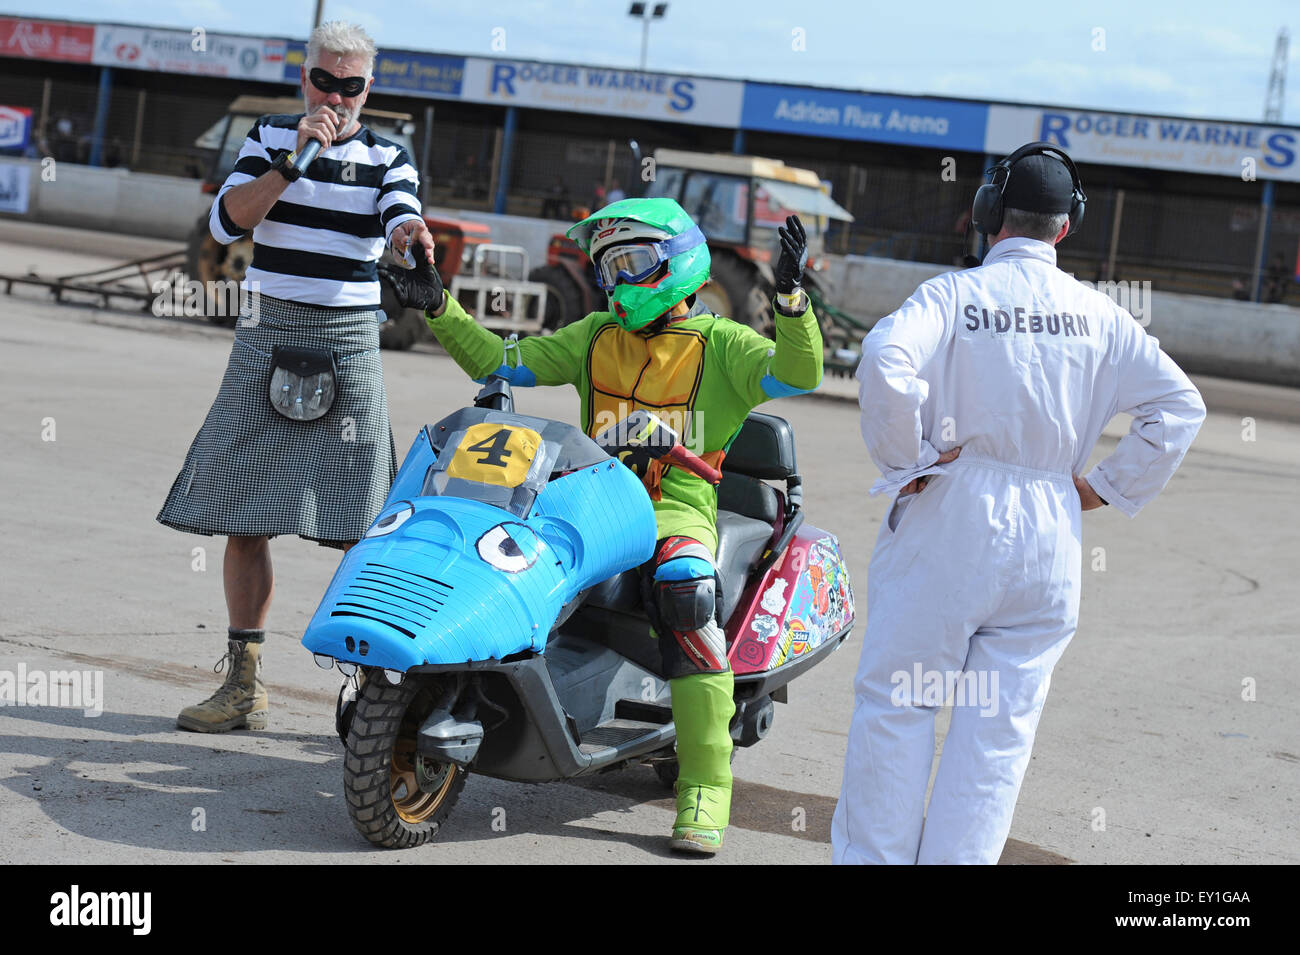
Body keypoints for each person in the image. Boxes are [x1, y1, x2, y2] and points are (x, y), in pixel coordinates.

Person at [380, 197, 823, 853]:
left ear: (680, 265)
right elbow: (500, 360)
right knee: (498, 559)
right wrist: (439, 305)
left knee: (685, 590)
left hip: (677, 508)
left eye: (635, 262)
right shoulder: (593, 336)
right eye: (609, 267)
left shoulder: (723, 344)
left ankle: (705, 783)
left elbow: (799, 371)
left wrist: (790, 299)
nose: (618, 281)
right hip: (590, 501)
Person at [833, 143, 1206, 864]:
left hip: (953, 510)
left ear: (988, 212)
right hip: (1048, 531)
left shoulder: (951, 296)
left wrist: (903, 459)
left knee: (900, 705)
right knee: (997, 732)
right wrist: (1105, 485)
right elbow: (1179, 406)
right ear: (1066, 228)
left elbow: (885, 361)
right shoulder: (1101, 316)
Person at [157, 21, 434, 733]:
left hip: (348, 337)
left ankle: (378, 693)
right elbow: (224, 224)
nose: (337, 96)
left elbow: (400, 214)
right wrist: (291, 162)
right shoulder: (268, 138)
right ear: (303, 77)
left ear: (369, 88)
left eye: (352, 84)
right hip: (265, 330)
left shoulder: (389, 155)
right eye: (325, 80)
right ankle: (244, 683)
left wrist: (409, 235)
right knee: (244, 513)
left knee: (362, 523)